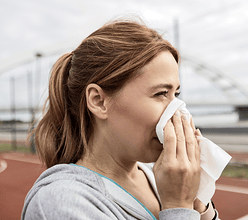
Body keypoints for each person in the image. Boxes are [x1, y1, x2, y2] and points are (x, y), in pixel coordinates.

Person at [22, 19, 219, 220]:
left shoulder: (160, 176)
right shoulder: (60, 202)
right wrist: (178, 208)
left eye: (175, 94)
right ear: (98, 101)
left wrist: (198, 206)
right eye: (161, 93)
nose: (178, 112)